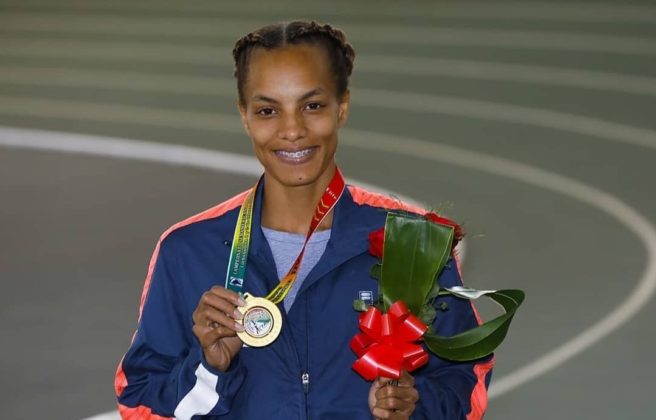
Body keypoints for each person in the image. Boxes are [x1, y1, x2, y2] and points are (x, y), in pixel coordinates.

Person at [115, 21, 492, 420]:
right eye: (267, 111)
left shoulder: (412, 241)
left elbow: (466, 384)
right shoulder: (188, 250)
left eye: (312, 106)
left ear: (342, 106)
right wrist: (209, 371)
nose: (292, 130)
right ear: (244, 116)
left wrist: (414, 407)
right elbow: (139, 403)